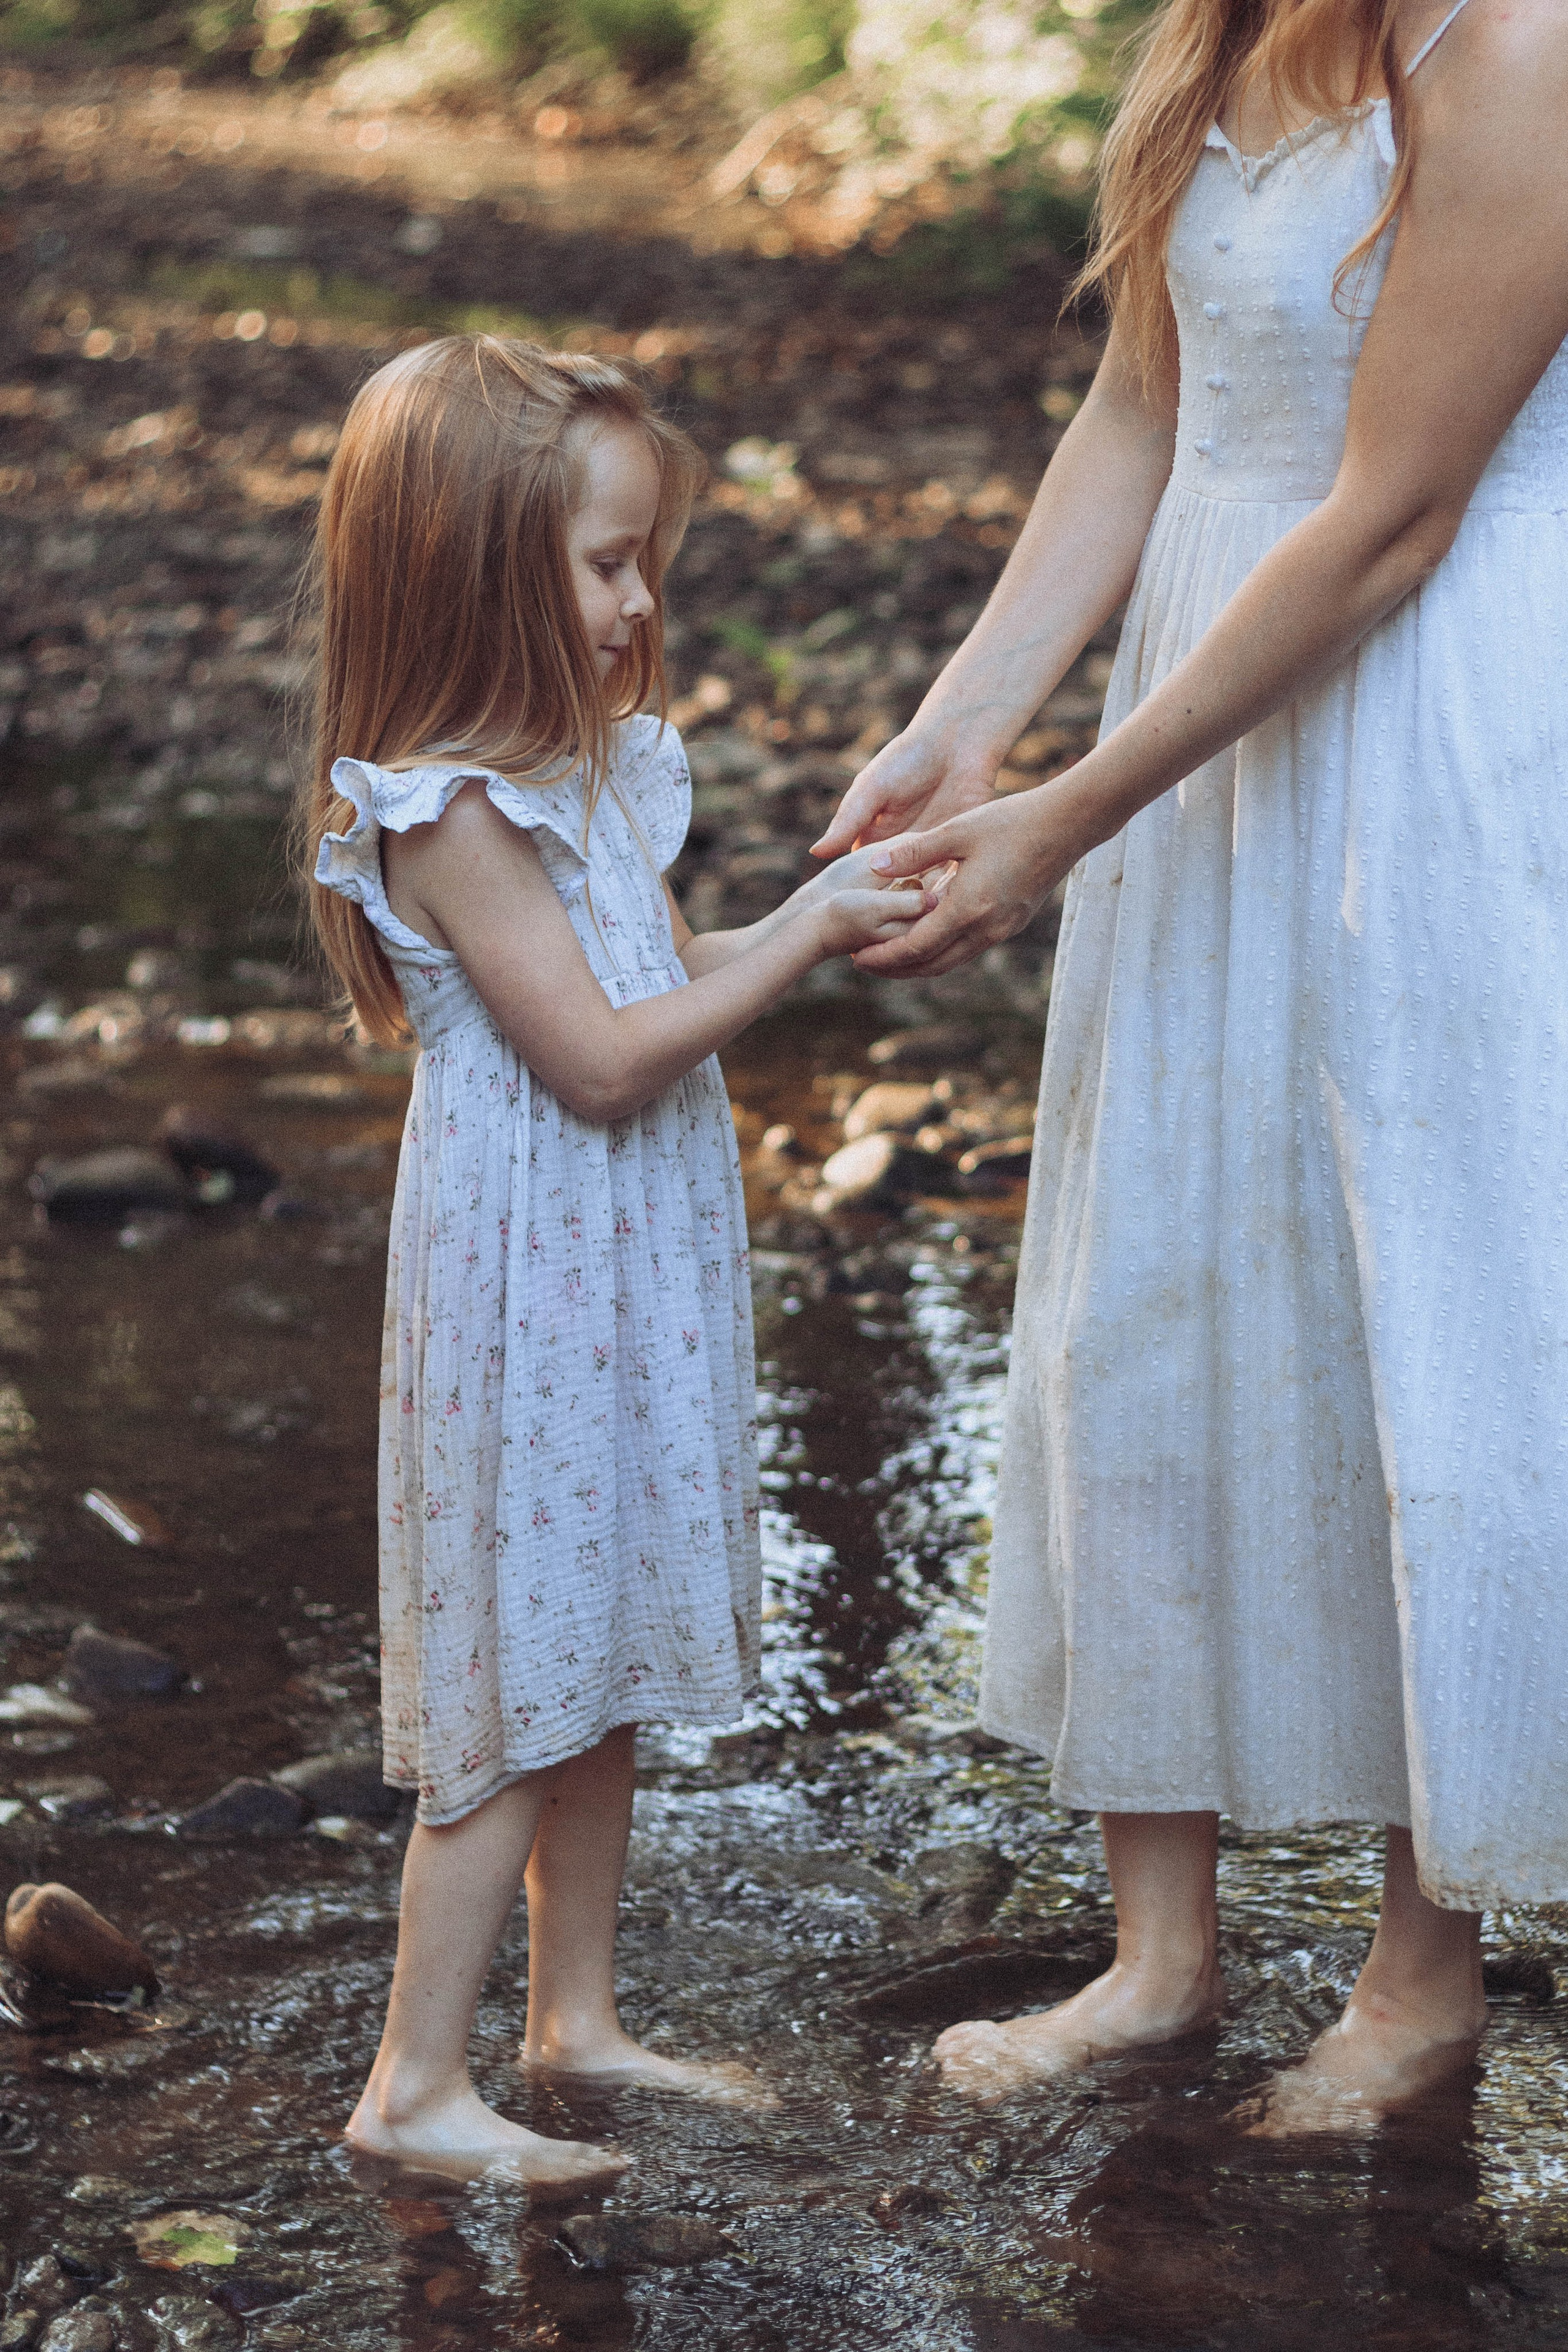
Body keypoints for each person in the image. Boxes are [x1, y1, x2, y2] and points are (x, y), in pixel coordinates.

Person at [813, 0, 1568, 2132]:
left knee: (1417, 1306)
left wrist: (1068, 814)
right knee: (1151, 1287)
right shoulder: (1211, 46)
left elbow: (1392, 517)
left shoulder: (1518, 55)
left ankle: (1422, 1983)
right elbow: (1145, 416)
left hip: (1427, 729)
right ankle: (1160, 1956)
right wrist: (976, 715)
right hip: (1194, 717)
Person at [302, 334, 929, 2180]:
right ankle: (413, 2089)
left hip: (621, 1274)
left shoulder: (593, 773)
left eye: (644, 555)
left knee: (599, 1654)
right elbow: (595, 1056)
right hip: (528, 1289)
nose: (640, 597)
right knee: (509, 1678)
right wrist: (800, 944)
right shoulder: (450, 815)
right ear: (473, 572)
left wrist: (827, 907)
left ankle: (573, 2017)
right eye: (603, 562)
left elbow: (657, 970)